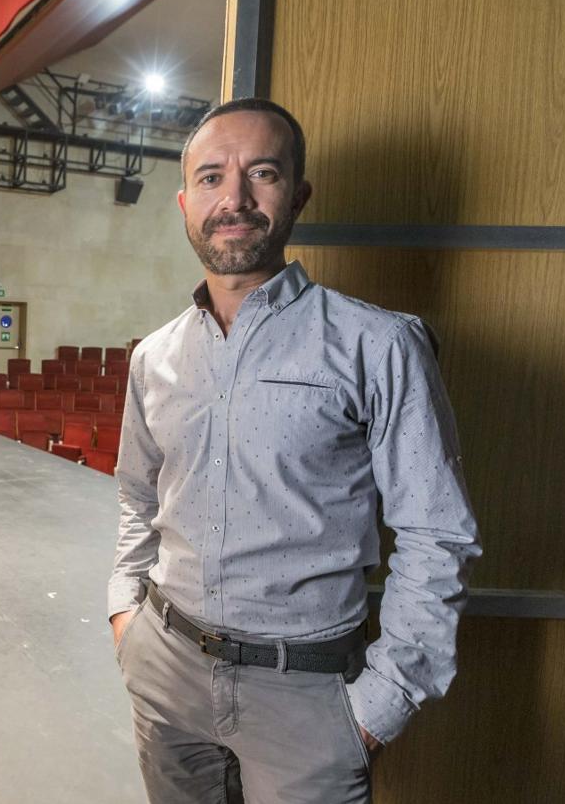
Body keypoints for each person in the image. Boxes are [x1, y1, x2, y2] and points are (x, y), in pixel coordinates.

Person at [108, 98, 481, 804]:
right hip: (165, 669)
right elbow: (138, 497)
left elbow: (438, 533)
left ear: (298, 195)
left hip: (308, 699)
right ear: (186, 202)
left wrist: (383, 702)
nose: (235, 199)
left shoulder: (378, 346)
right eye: (212, 178)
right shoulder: (153, 357)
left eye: (264, 174)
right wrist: (125, 618)